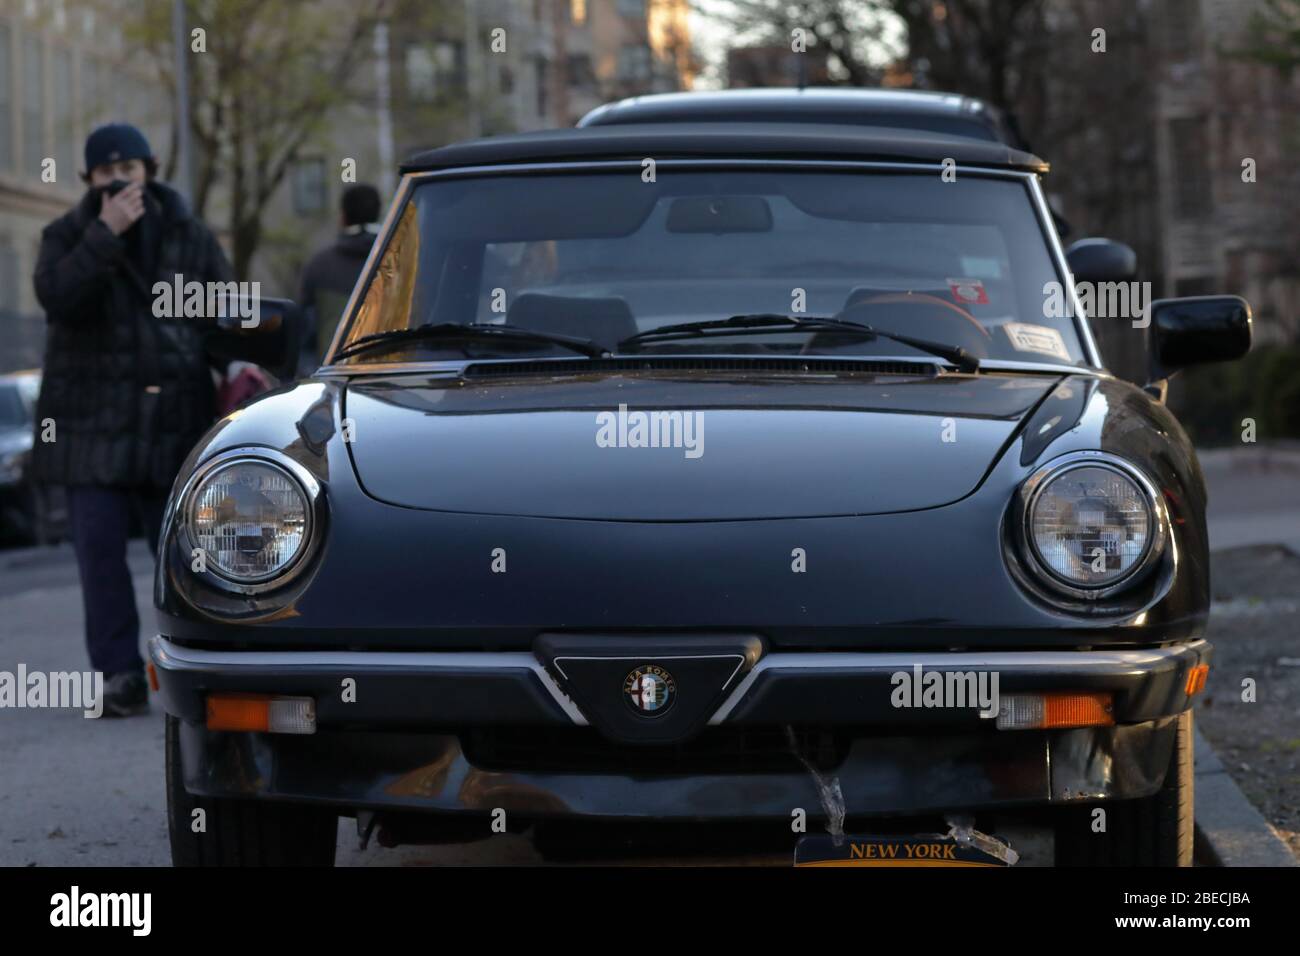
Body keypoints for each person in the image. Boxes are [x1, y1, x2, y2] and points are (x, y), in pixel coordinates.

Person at [31, 122, 234, 717]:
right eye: (104, 174)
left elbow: (224, 315)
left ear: (150, 170)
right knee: (99, 557)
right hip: (90, 429)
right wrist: (105, 236)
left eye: (130, 171)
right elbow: (58, 296)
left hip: (171, 423)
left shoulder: (189, 235)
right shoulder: (66, 236)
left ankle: (198, 663)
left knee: (187, 557)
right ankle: (120, 675)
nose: (118, 182)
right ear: (89, 182)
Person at [299, 183, 381, 369]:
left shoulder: (319, 267)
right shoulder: (398, 263)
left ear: (342, 217)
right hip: (390, 375)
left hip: (334, 376)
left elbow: (305, 337)